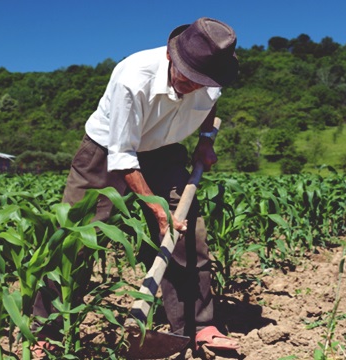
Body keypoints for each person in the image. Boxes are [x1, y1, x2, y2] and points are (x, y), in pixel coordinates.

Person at [31, 17, 240, 357]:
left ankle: (197, 326)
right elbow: (123, 157)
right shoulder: (133, 77)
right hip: (106, 153)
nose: (195, 86)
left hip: (166, 150)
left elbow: (210, 104)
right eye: (189, 78)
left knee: (187, 236)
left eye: (202, 82)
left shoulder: (213, 77)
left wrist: (205, 141)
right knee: (76, 238)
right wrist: (157, 210)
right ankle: (44, 328)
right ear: (173, 58)